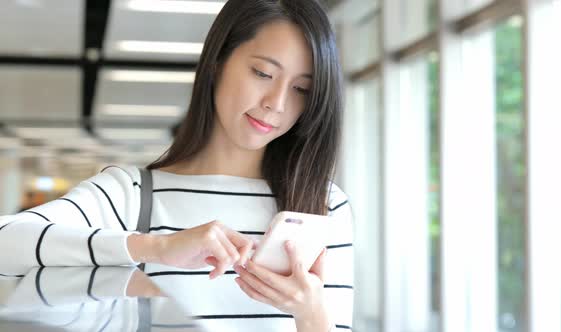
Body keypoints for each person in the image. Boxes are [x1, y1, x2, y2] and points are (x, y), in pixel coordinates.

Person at [0, 0, 354, 331]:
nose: (276, 103)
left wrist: (311, 314)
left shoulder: (323, 205)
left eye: (301, 89)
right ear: (218, 63)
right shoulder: (131, 194)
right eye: (262, 73)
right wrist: (157, 247)